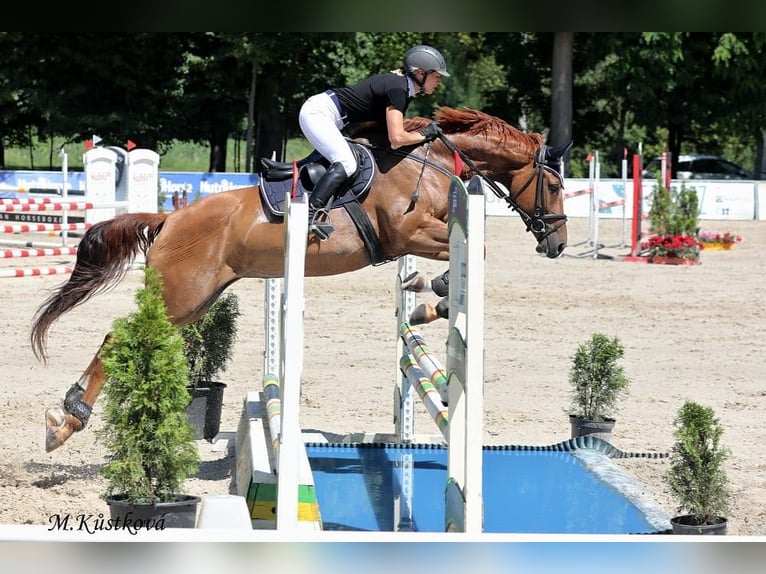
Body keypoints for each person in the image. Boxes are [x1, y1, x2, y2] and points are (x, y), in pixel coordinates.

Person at [298, 44, 450, 239]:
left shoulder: (401, 87)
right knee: (347, 163)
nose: (439, 81)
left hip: (330, 116)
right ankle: (310, 215)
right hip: (318, 113)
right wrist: (425, 134)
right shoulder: (398, 89)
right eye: (436, 76)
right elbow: (397, 139)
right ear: (420, 73)